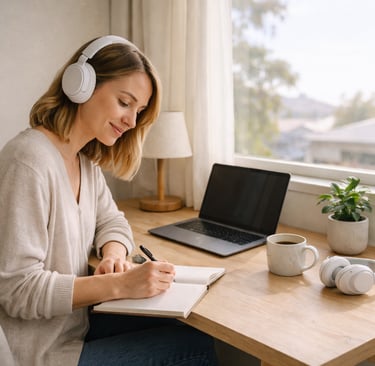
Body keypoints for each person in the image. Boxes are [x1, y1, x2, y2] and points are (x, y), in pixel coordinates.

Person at [0, 35, 218, 366]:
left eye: (139, 110)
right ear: (81, 85)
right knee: (193, 346)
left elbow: (111, 220)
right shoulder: (28, 161)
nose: (132, 122)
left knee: (188, 328)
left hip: (73, 325)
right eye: (125, 102)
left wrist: (113, 255)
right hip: (41, 351)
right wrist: (116, 284)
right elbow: (17, 291)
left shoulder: (82, 160)